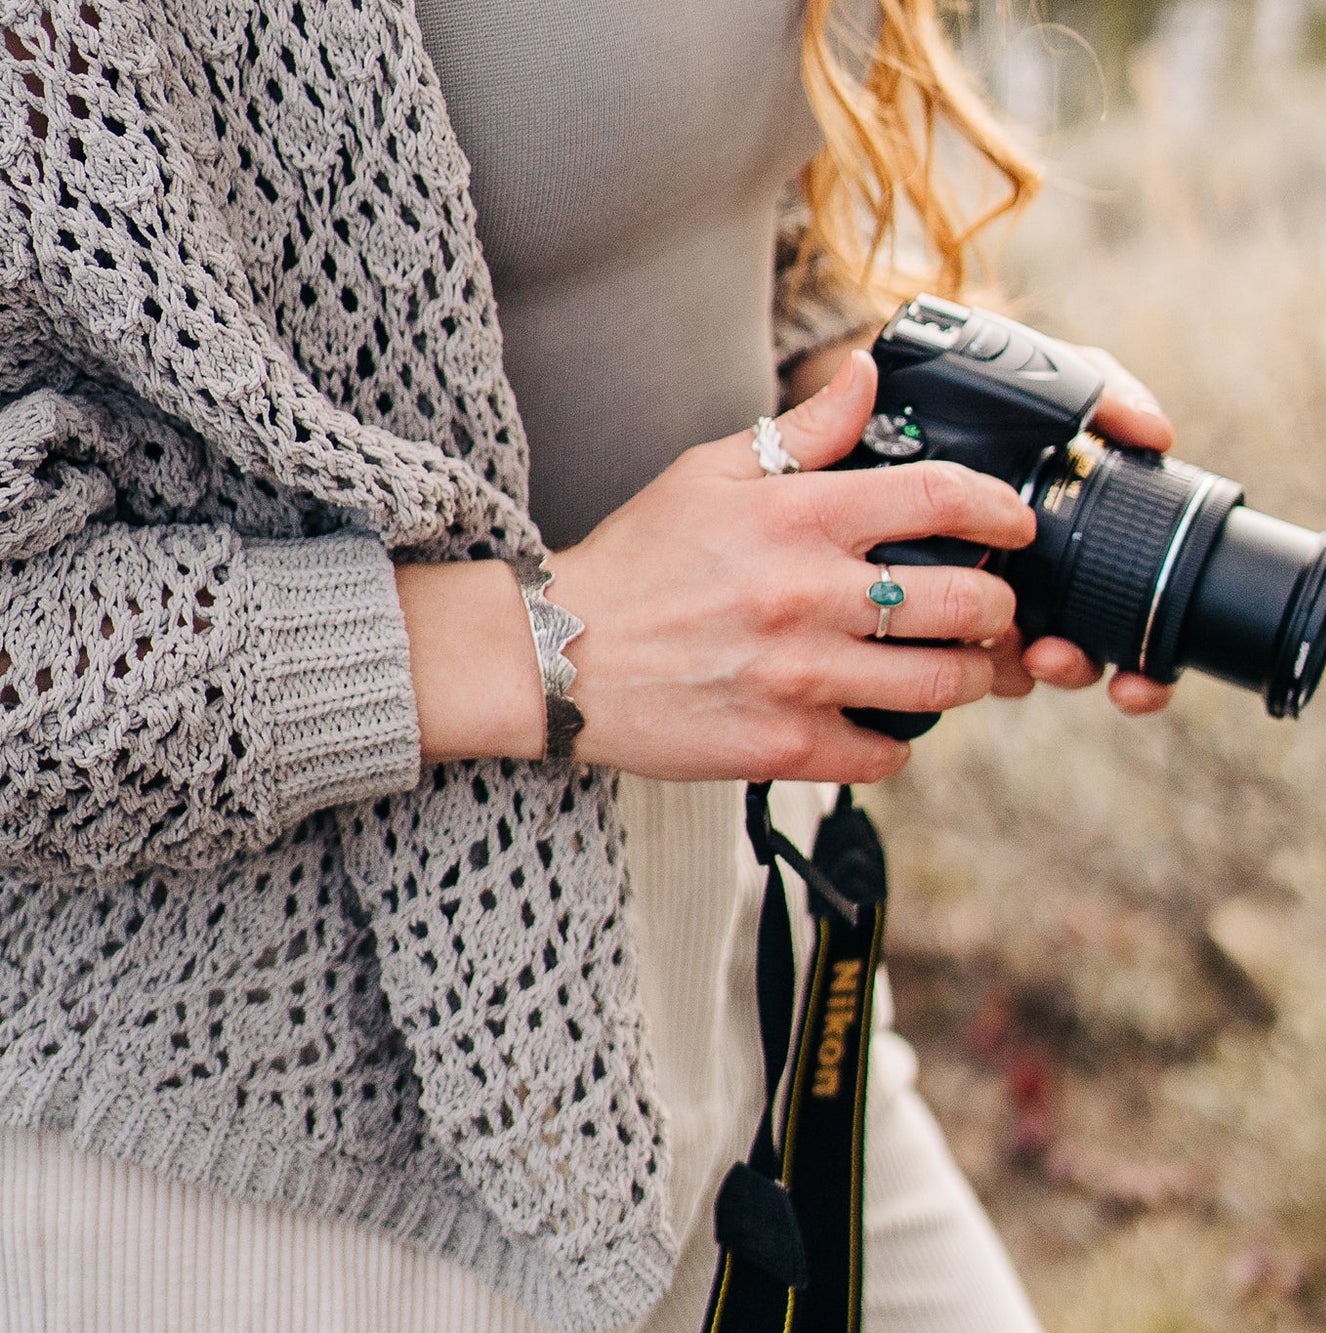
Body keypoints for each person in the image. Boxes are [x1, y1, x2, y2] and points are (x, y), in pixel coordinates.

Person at [0, 0, 1178, 1329]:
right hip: (278, 1115)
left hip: (743, 938)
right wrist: (558, 647)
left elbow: (637, 210)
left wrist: (867, 412)